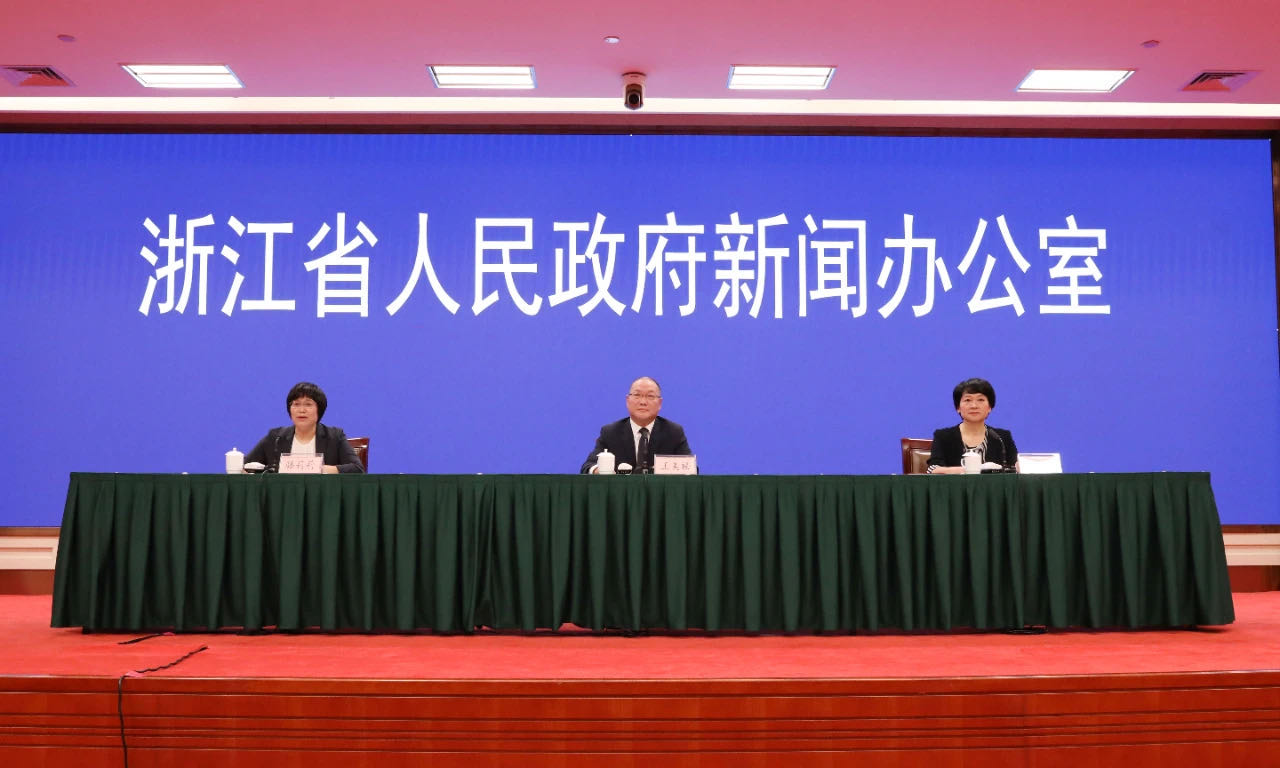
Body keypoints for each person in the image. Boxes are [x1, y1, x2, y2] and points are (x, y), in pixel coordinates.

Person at [245, 381, 365, 474]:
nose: (301, 410)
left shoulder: (335, 436)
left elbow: (357, 469)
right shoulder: (276, 437)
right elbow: (245, 465)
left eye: (308, 404)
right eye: (296, 404)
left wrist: (322, 469)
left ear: (319, 409)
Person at [580, 376, 692, 474]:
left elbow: (691, 469)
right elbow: (588, 466)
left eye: (650, 396)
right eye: (637, 395)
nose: (643, 402)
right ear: (628, 400)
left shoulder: (673, 432)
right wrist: (598, 470)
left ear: (660, 403)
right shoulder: (611, 432)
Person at [927, 378, 1018, 474]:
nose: (974, 406)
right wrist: (971, 470)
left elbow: (1016, 468)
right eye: (967, 400)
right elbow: (933, 469)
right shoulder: (943, 436)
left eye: (980, 400)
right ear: (958, 408)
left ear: (990, 407)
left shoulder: (1002, 438)